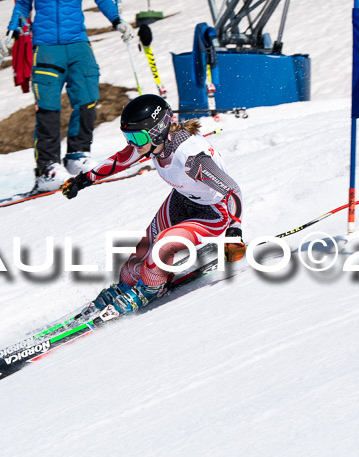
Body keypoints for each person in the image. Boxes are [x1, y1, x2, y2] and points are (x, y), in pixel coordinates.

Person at [61, 94, 246, 314]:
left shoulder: (191, 158)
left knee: (163, 245)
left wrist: (234, 230)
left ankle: (151, 289)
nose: (132, 144)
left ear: (156, 131)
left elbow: (232, 190)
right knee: (139, 256)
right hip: (181, 200)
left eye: (136, 138)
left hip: (213, 213)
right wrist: (83, 180)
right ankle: (126, 286)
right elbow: (121, 159)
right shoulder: (153, 145)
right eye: (128, 137)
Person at [0, 0, 135, 194]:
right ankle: (47, 169)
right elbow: (22, 5)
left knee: (87, 99)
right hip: (46, 48)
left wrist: (117, 20)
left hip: (78, 43)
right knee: (48, 107)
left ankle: (76, 157)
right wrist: (11, 33)